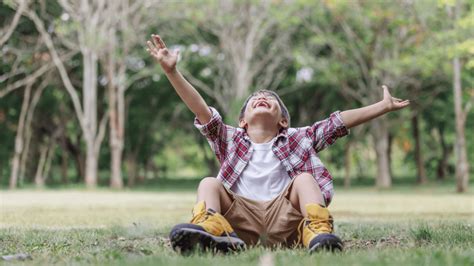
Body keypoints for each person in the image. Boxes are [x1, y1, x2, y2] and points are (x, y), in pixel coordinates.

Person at [146, 34, 410, 253]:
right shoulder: (229, 139)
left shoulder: (298, 138)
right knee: (208, 183)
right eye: (254, 99)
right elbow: (201, 110)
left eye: (269, 98)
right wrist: (172, 72)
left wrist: (382, 107)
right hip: (240, 220)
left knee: (305, 179)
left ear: (283, 121)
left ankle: (317, 233)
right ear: (243, 121)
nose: (261, 98)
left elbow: (337, 123)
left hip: (286, 219)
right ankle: (212, 230)